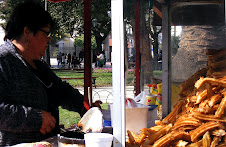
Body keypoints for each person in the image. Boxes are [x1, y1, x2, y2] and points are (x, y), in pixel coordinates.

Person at [0, 2, 91, 146]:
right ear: (27, 32)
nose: (49, 40)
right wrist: (36, 119)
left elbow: (61, 90)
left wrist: (85, 107)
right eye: (46, 33)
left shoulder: (38, 64)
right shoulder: (3, 60)